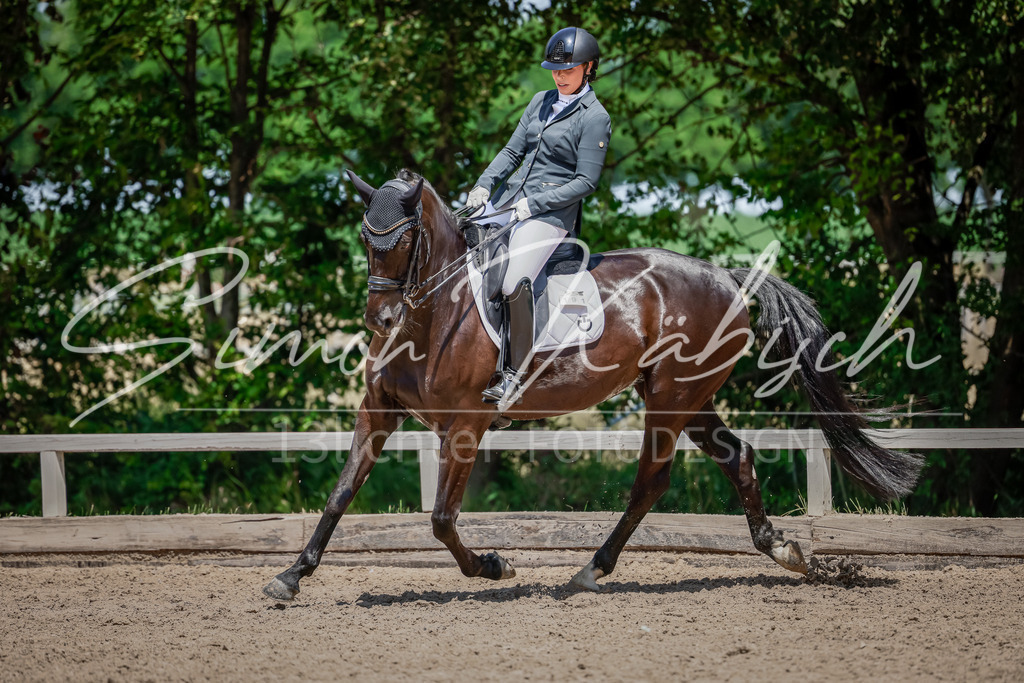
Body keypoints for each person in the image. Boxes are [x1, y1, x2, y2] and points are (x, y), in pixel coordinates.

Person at [467, 26, 612, 407]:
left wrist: (534, 206)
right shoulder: (540, 101)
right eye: (555, 70)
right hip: (509, 201)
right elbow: (512, 153)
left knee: (516, 278)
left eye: (568, 70)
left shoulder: (594, 117)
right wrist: (483, 186)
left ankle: (514, 374)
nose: (559, 76)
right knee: (464, 251)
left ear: (588, 68)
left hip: (550, 217)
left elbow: (586, 181)